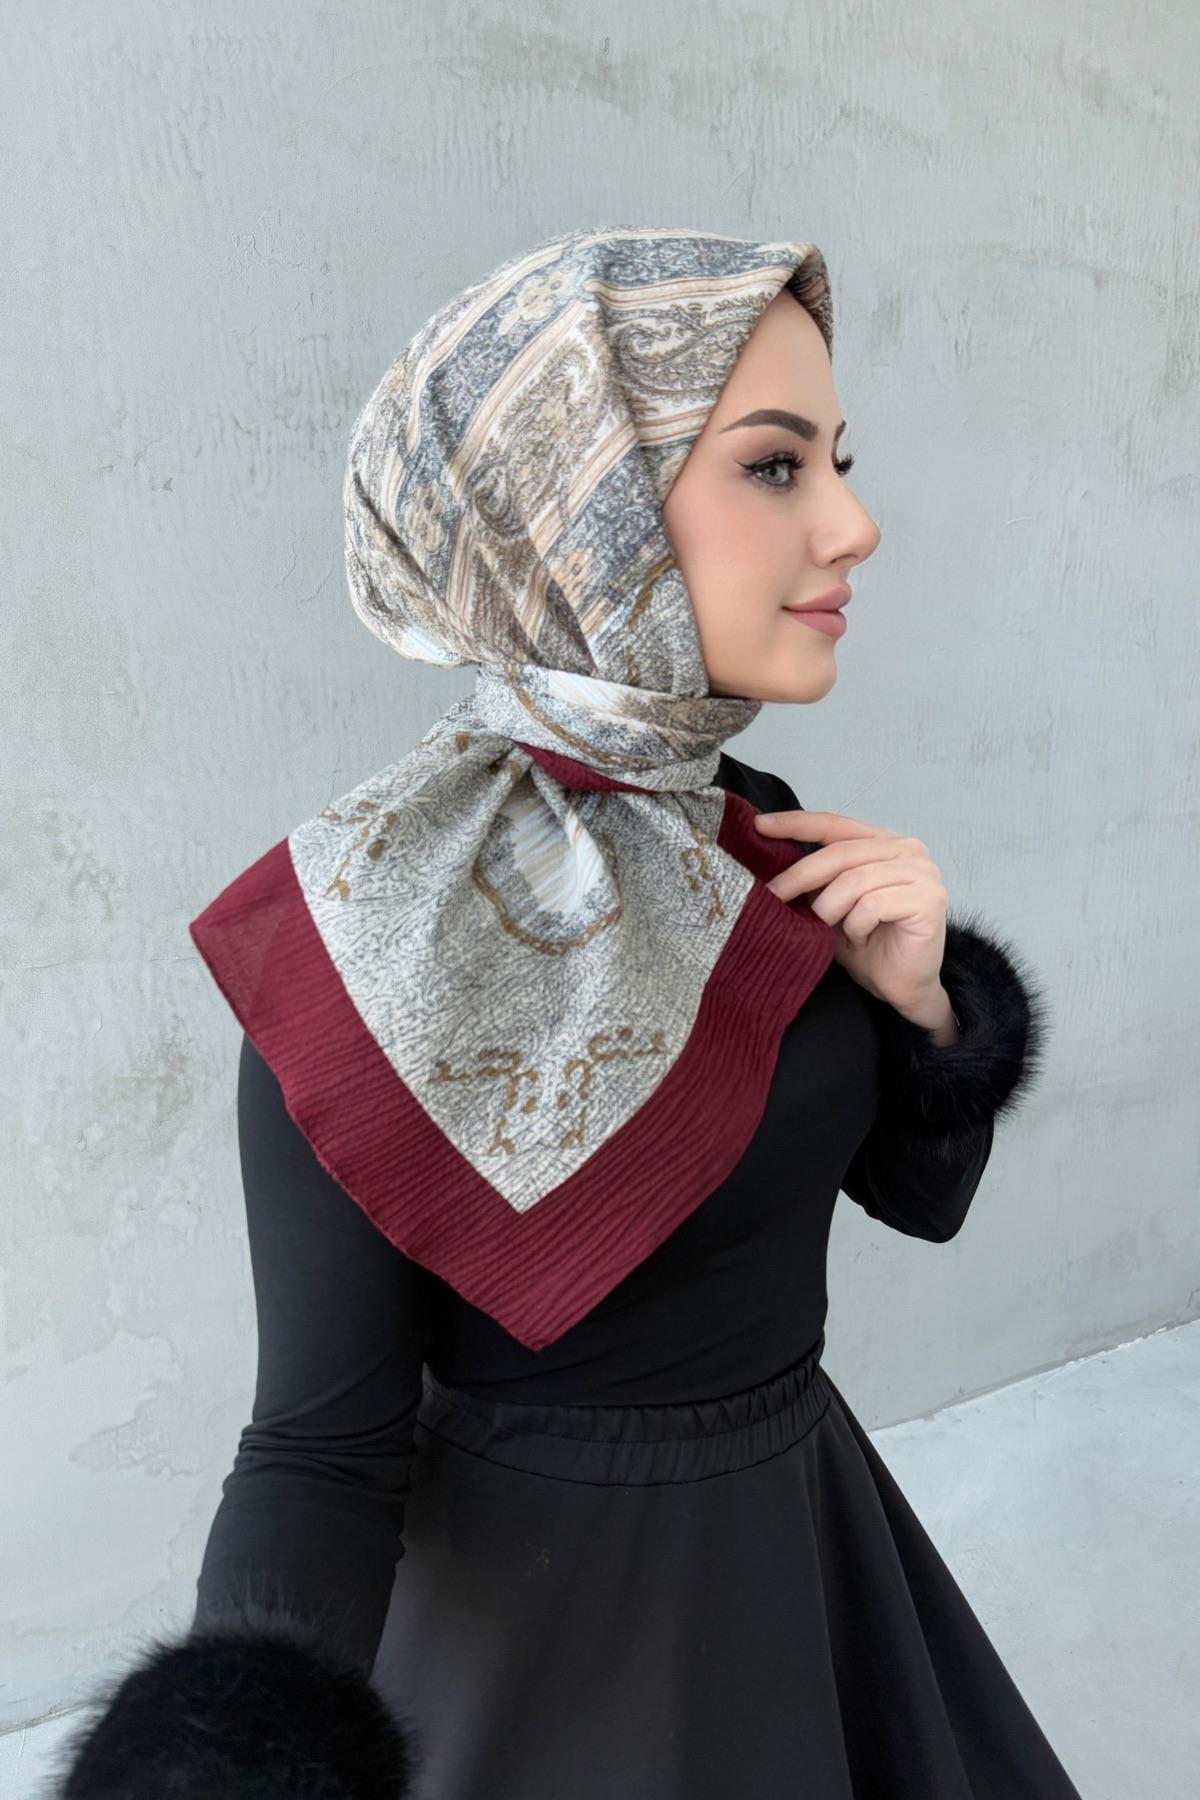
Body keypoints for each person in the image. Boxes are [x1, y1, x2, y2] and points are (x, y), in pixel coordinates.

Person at [60, 226, 1079, 1798]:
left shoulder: (751, 828)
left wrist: (934, 1013)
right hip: (552, 1650)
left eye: (838, 463)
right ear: (580, 512)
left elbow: (916, 1201)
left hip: (803, 1560)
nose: (853, 524)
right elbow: (319, 1449)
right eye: (774, 467)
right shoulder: (382, 930)